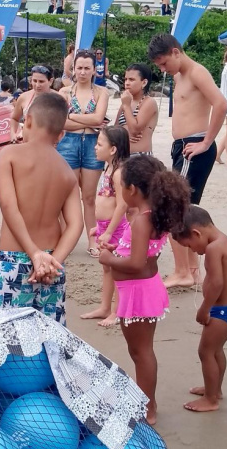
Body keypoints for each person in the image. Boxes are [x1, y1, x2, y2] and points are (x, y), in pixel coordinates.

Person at [99, 155, 191, 424]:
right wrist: (120, 250)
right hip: (142, 289)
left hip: (138, 292)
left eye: (120, 187)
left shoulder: (142, 220)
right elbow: (145, 253)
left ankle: (148, 407)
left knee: (141, 352)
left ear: (132, 190)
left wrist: (108, 259)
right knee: (141, 351)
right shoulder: (153, 215)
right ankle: (146, 402)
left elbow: (137, 262)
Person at [0, 92, 83, 324]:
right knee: (47, 338)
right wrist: (53, 260)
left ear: (27, 120)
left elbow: (9, 206)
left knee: (0, 334)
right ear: (62, 134)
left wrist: (33, 253)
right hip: (51, 267)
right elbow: (76, 224)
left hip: (13, 260)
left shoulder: (9, 154)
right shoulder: (67, 172)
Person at [147, 34, 227, 288]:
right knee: (184, 209)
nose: (162, 69)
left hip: (195, 146)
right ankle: (191, 271)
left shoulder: (196, 72)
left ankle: (183, 271)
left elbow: (222, 104)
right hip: (182, 147)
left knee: (173, 208)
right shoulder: (179, 75)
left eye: (163, 63)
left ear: (175, 52)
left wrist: (206, 142)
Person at [172, 205, 227, 413]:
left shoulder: (213, 249)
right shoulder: (225, 242)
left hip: (222, 311)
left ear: (196, 233)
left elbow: (216, 284)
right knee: (216, 351)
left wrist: (204, 309)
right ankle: (215, 389)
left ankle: (211, 399)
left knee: (206, 352)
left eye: (191, 246)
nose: (194, 251)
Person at [59, 50, 110, 257]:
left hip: (92, 144)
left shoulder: (101, 92)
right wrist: (86, 119)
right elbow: (61, 122)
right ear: (73, 69)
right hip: (68, 143)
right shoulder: (64, 93)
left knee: (89, 197)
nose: (82, 72)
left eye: (87, 68)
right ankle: (65, 238)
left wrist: (72, 116)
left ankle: (93, 239)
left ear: (94, 70)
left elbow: (99, 120)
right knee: (66, 195)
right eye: (79, 67)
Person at [81, 126, 130, 327]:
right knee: (107, 268)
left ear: (113, 149)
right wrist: (99, 229)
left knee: (117, 268)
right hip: (105, 226)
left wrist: (109, 231)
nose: (95, 147)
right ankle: (104, 307)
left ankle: (118, 311)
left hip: (116, 228)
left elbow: (122, 204)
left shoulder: (119, 173)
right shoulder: (108, 167)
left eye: (100, 144)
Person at [117, 64, 158, 156]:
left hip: (140, 157)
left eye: (131, 80)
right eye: (125, 79)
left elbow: (135, 130)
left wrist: (126, 106)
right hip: (123, 156)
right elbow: (116, 130)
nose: (127, 83)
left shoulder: (149, 102)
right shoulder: (126, 102)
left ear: (144, 82)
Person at [10, 65, 53, 142]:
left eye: (41, 81)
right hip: (27, 143)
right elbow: (14, 118)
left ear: (50, 81)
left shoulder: (58, 99)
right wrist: (13, 134)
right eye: (34, 81)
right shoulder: (24, 97)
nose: (37, 85)